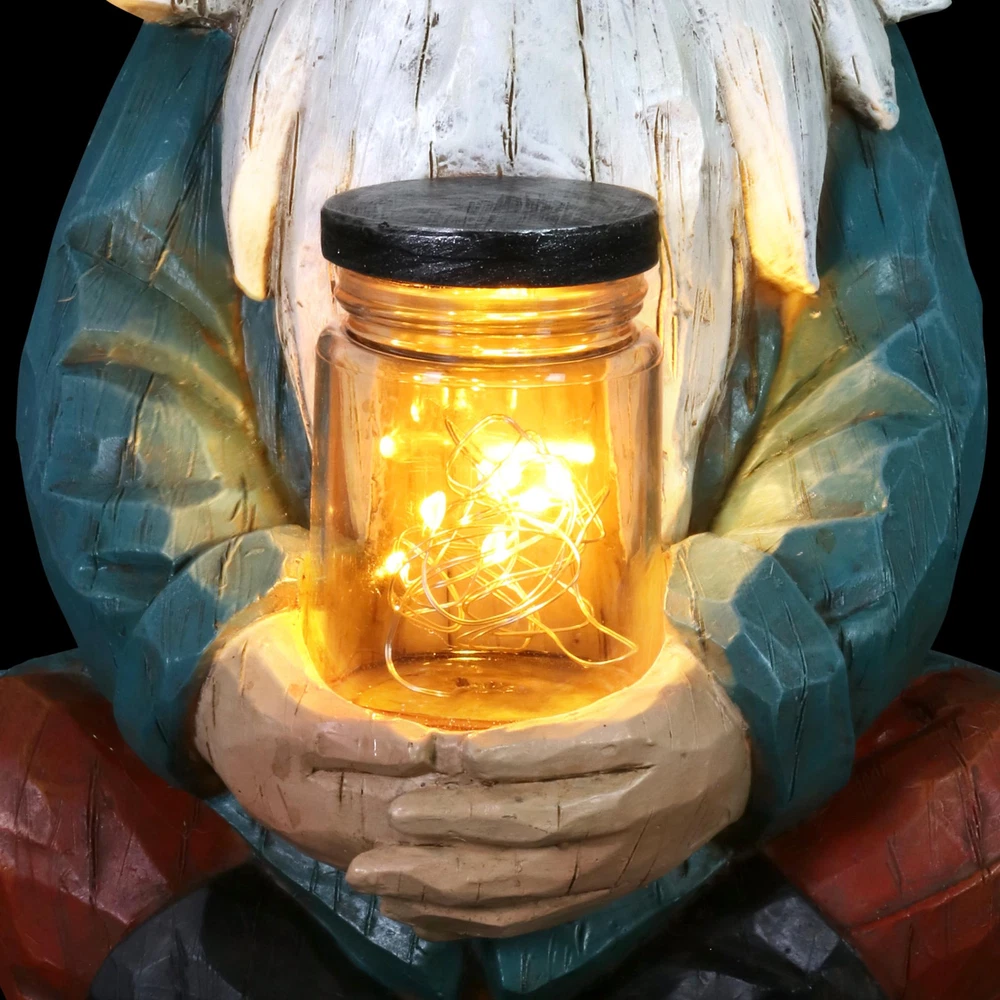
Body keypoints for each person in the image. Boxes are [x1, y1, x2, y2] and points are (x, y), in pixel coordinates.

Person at [5, 2, 992, 998]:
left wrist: (740, 691)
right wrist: (227, 666)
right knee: (25, 783)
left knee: (978, 795)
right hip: (289, 841)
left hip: (702, 846)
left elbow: (891, 393)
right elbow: (120, 366)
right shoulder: (219, 43)